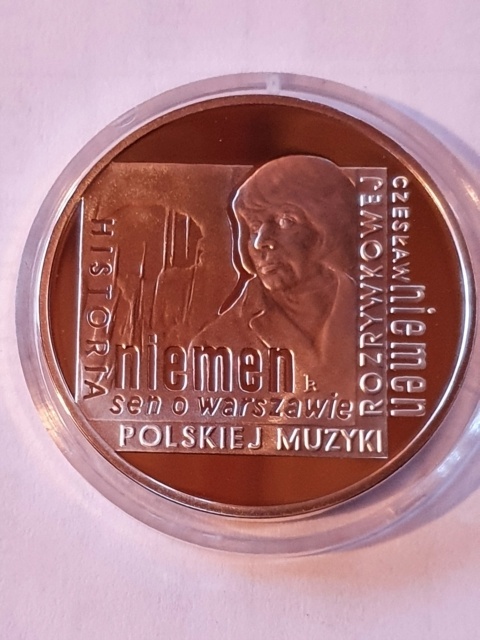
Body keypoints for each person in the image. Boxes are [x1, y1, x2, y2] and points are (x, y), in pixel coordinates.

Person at [194, 155, 357, 397]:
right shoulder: (214, 345)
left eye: (285, 221)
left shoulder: (376, 313)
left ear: (328, 227)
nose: (260, 242)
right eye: (253, 227)